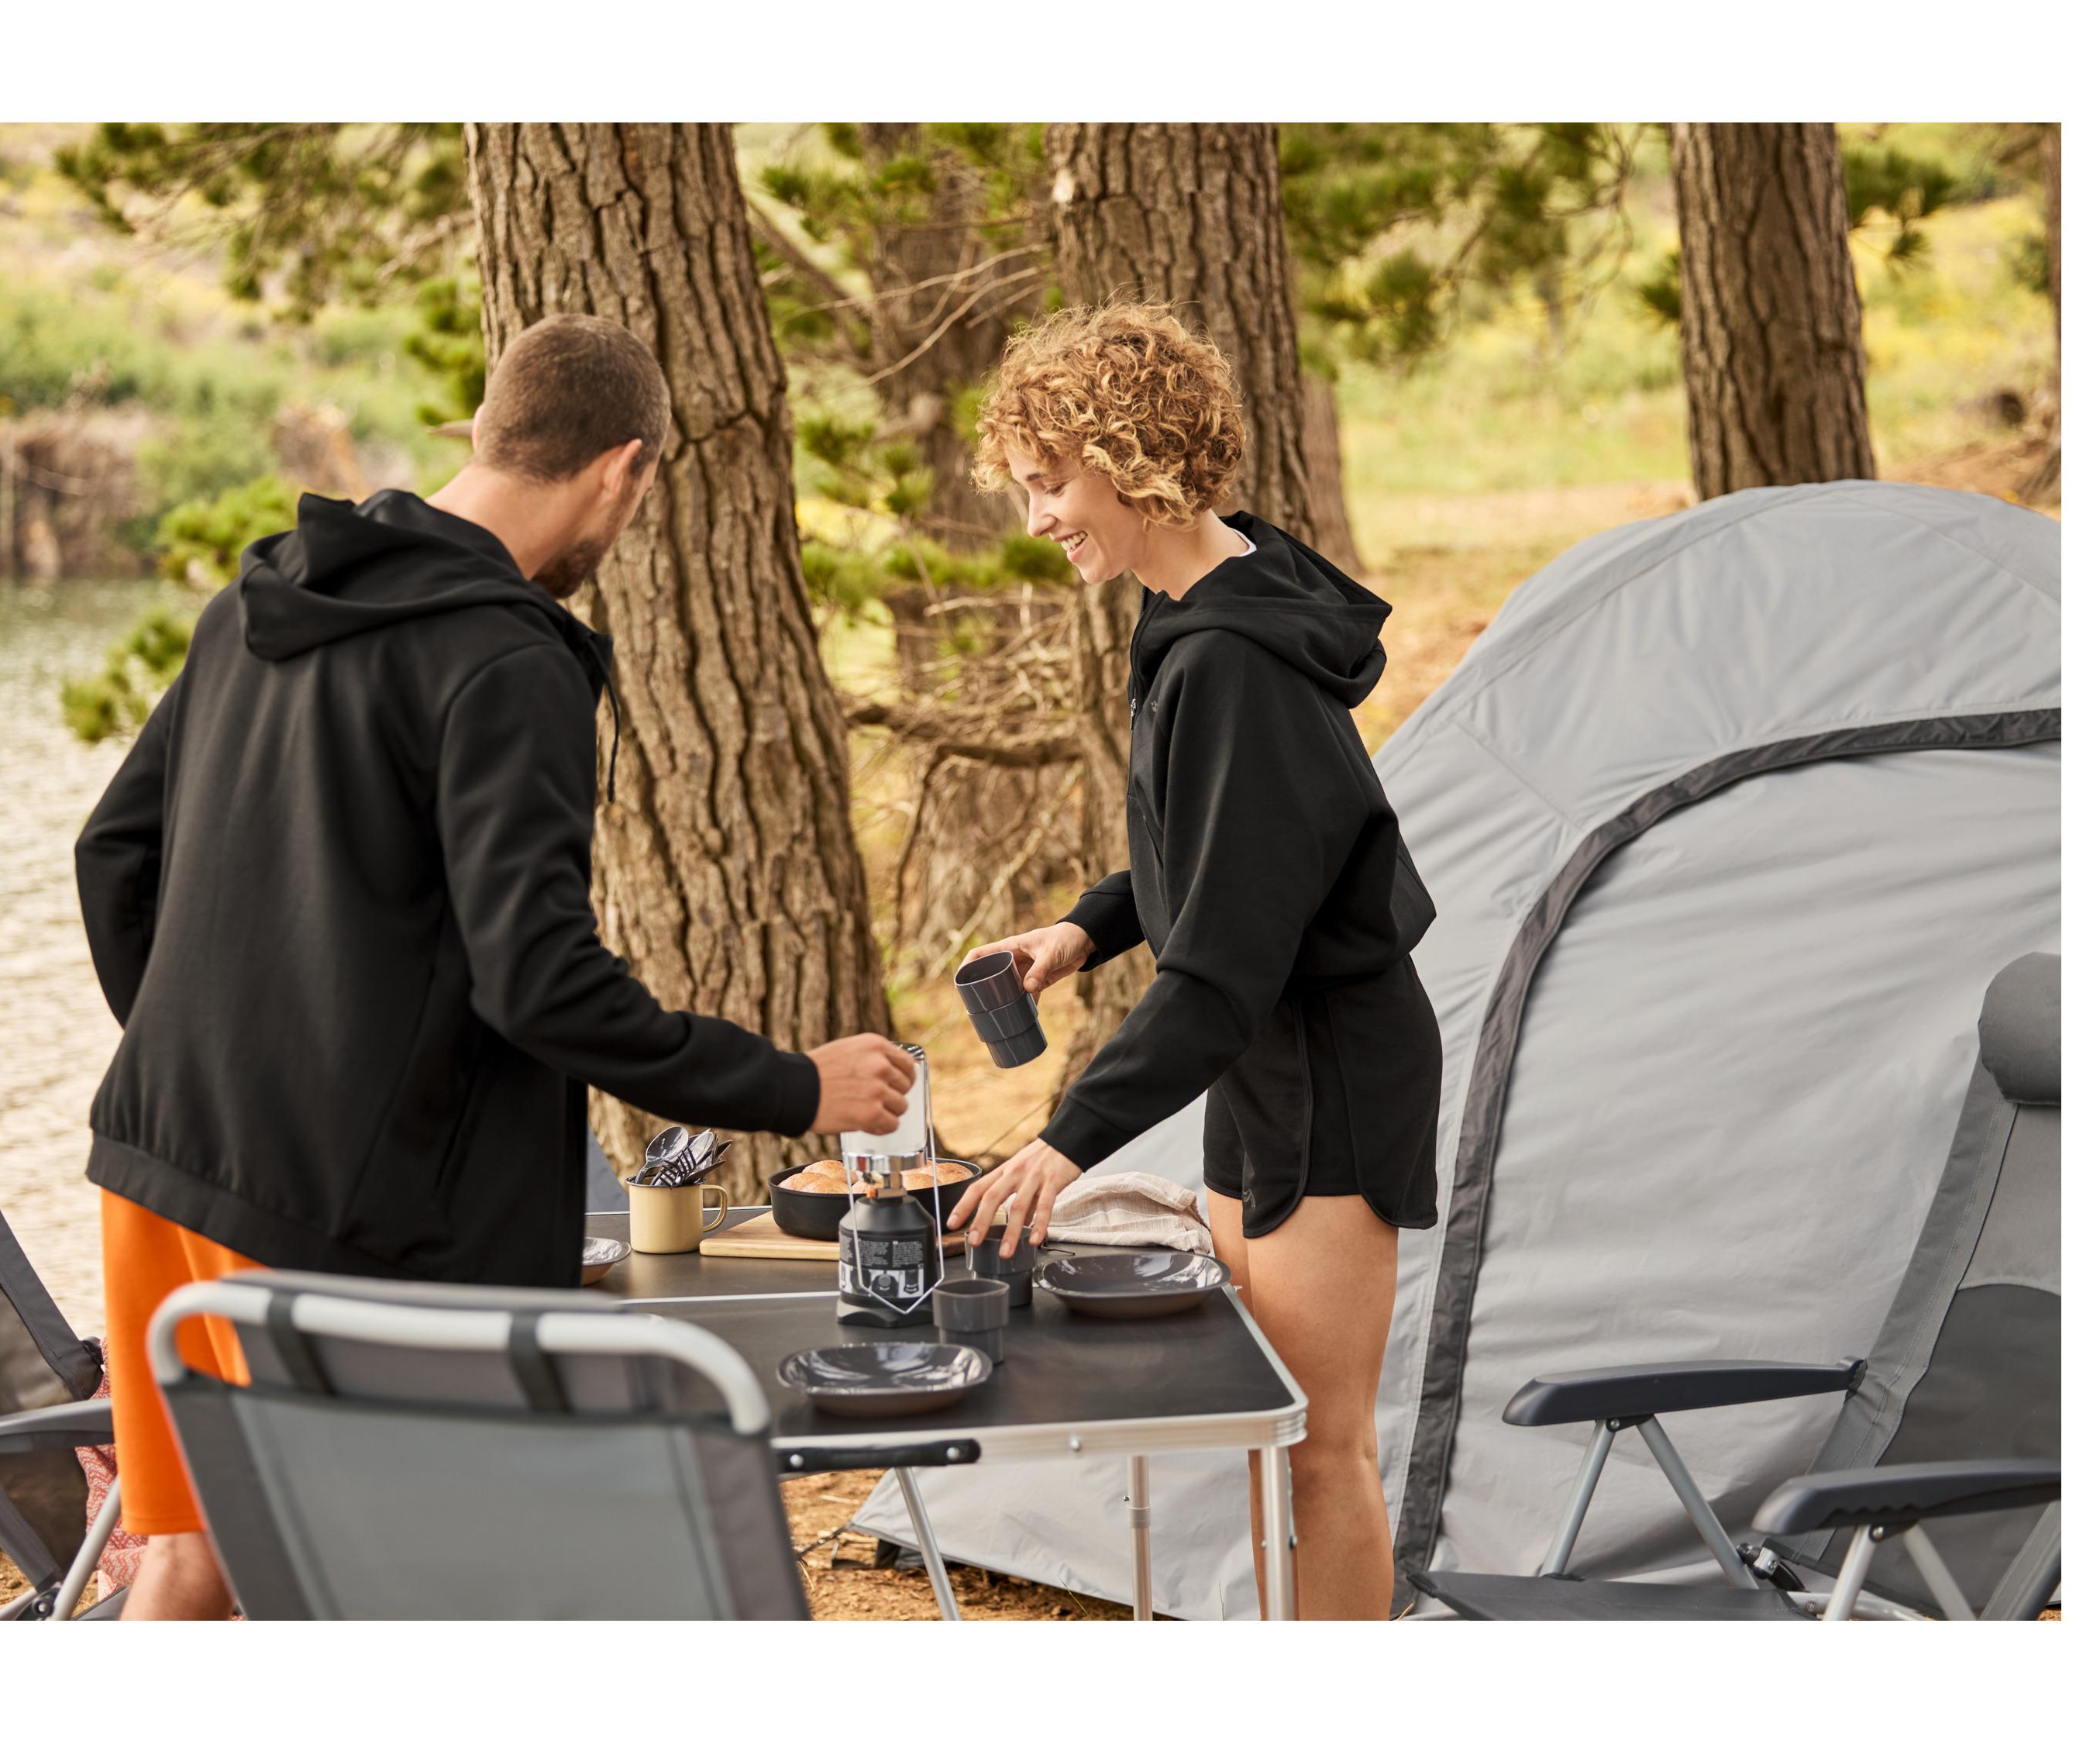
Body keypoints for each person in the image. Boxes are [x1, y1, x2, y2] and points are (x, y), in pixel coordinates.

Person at [74, 313, 914, 1618]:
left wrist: (229, 1061)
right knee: (392, 1588)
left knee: (193, 1556)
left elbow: (114, 855)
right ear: (623, 470)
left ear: (486, 431)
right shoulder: (508, 659)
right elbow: (541, 983)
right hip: (326, 1227)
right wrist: (794, 1086)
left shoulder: (255, 601)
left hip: (157, 1162)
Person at [945, 302, 1442, 1621]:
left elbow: (1221, 967)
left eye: (1051, 483)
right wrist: (1085, 927)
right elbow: (1229, 850)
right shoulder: (1208, 606)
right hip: (1269, 1059)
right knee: (1268, 1429)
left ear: (1130, 460)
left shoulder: (1233, 657)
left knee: (1319, 1443)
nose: (1038, 517)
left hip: (1328, 1074)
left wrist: (1064, 1142)